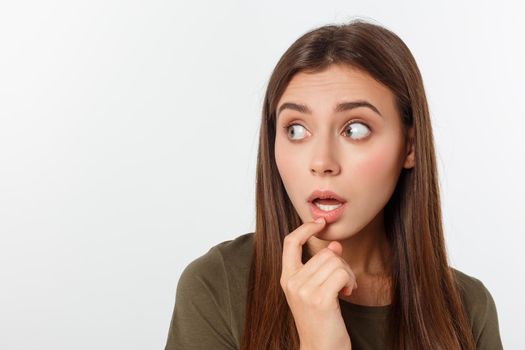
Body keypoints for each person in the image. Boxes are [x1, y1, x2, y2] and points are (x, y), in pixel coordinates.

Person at [164, 19, 503, 349]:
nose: (322, 162)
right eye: (296, 130)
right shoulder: (218, 285)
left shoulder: (467, 308)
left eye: (354, 129)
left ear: (410, 147)